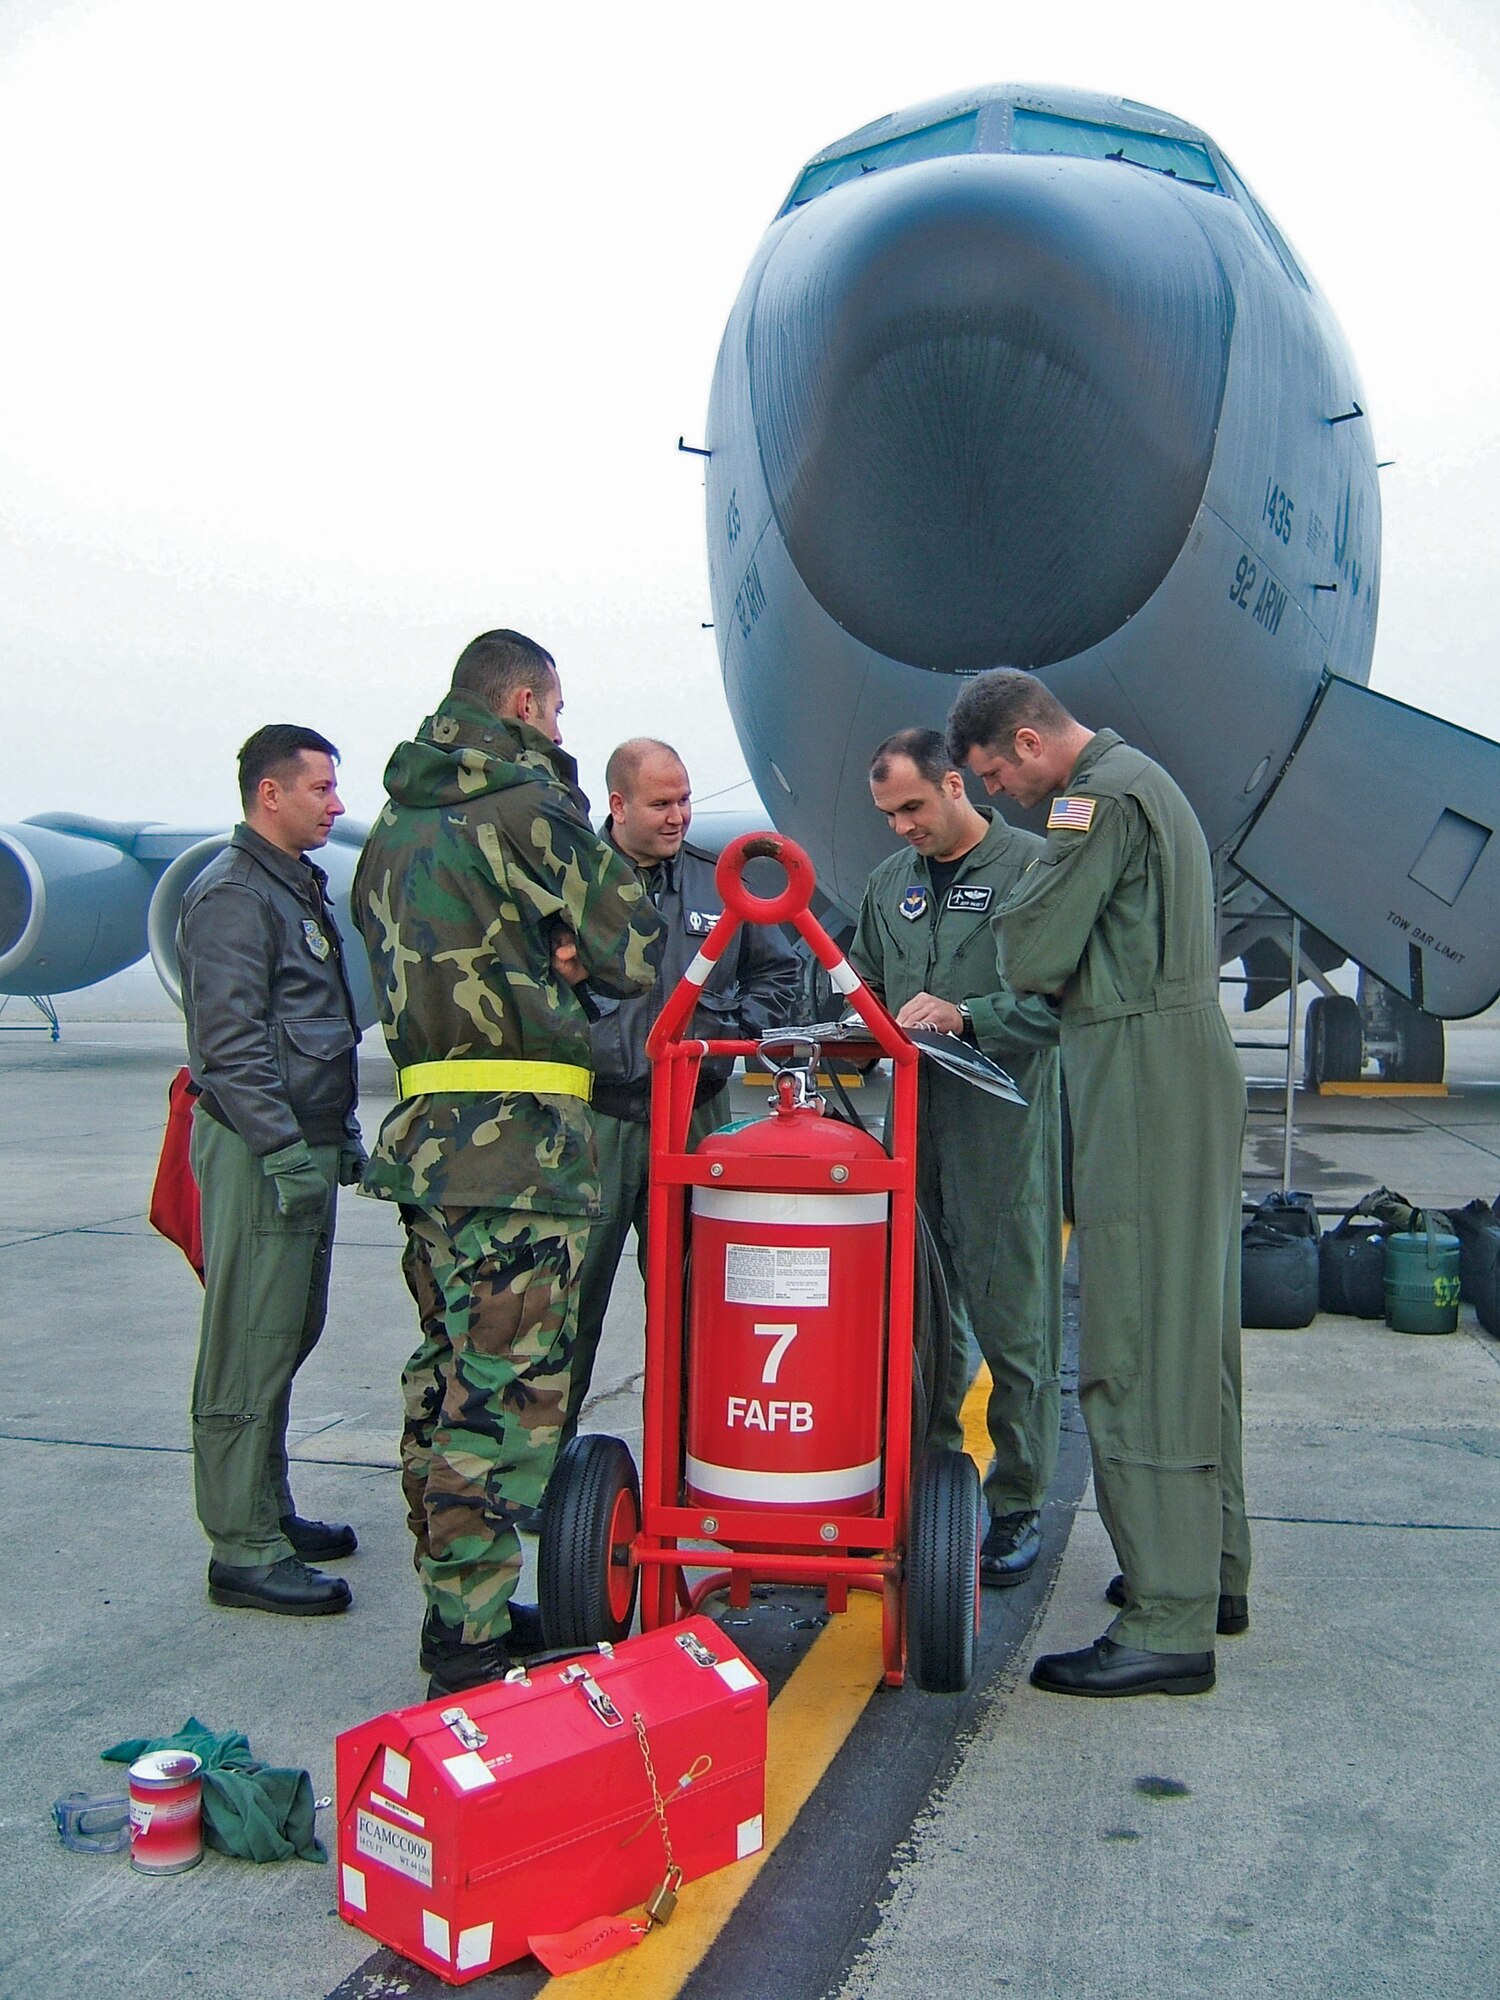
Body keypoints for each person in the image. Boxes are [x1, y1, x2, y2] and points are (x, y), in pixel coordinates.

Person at [353, 632, 666, 1697]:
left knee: (443, 1382)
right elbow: (633, 954)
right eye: (560, 713)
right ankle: (471, 1649)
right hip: (518, 1155)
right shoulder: (533, 809)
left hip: (427, 1147)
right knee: (505, 1400)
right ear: (526, 702)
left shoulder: (393, 823)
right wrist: (567, 948)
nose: (563, 732)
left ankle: (460, 1604)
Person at [947, 669, 1249, 1698]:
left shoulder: (1094, 800)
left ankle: (1168, 1619)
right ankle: (1209, 1570)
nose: (1008, 804)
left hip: (1141, 1071)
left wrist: (1015, 913)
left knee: (1136, 1338)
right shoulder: (1141, 783)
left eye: (999, 777)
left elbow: (1031, 948)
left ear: (1029, 742)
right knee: (1194, 1329)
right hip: (1179, 1054)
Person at [850, 729, 1063, 1587]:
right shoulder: (886, 885)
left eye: (911, 807)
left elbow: (1058, 1004)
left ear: (953, 785)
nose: (902, 827)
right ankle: (927, 1485)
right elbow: (857, 980)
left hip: (999, 1139)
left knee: (1016, 1327)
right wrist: (848, 1029)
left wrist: (970, 1014)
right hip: (912, 1137)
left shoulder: (1032, 870)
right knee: (915, 1325)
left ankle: (1016, 1504)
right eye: (888, 815)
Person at [561, 738, 801, 1454]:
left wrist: (711, 1032)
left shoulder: (718, 884)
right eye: (662, 804)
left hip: (698, 1118)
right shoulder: (575, 885)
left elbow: (777, 981)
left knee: (699, 1304)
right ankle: (543, 1472)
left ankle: (693, 1457)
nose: (678, 817)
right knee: (570, 1307)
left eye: (685, 800)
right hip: (597, 1124)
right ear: (618, 805)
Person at [178, 724, 365, 1617]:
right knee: (247, 1345)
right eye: (321, 789)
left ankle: (267, 1510)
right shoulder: (233, 895)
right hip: (263, 1152)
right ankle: (241, 1547)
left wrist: (339, 1129)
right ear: (270, 795)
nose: (335, 804)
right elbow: (229, 1045)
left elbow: (311, 1030)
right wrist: (286, 1148)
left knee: (287, 1333)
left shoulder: (288, 886)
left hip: (300, 1142)